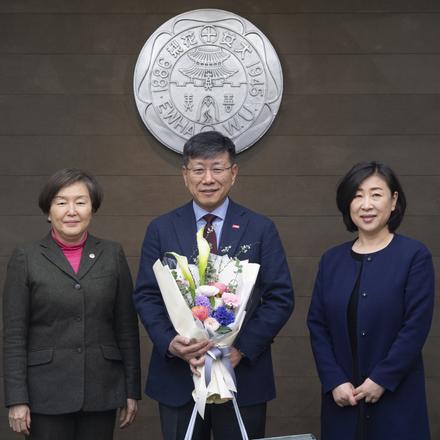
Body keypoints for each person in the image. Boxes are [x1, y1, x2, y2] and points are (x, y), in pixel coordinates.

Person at [134, 131, 294, 440]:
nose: (208, 178)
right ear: (185, 175)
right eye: (198, 169)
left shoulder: (260, 228)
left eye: (217, 168)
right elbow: (146, 296)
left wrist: (240, 350)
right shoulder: (161, 228)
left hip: (242, 377)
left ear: (233, 173)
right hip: (180, 376)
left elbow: (280, 298)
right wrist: (171, 343)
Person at [3, 168, 141, 440]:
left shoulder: (112, 254)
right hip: (45, 393)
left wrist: (130, 389)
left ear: (92, 208)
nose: (71, 210)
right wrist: (16, 398)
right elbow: (15, 335)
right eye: (61, 202)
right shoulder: (26, 258)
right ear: (48, 211)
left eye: (80, 202)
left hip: (101, 389)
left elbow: (126, 326)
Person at [307, 161, 434, 440]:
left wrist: (381, 380)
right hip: (342, 399)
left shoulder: (414, 256)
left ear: (393, 201)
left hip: (396, 397)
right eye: (357, 195)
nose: (366, 204)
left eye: (376, 194)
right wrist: (334, 380)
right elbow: (317, 325)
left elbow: (415, 327)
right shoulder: (332, 260)